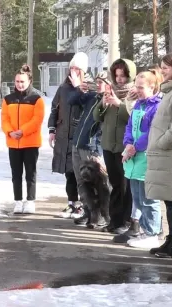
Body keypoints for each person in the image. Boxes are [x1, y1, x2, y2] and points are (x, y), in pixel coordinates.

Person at [93, 58, 138, 240]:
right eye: (117, 75)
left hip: (124, 146)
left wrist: (119, 103)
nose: (119, 79)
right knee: (114, 184)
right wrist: (104, 103)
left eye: (123, 75)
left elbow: (133, 118)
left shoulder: (133, 93)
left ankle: (125, 222)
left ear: (130, 75)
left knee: (124, 185)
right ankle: (114, 220)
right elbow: (97, 116)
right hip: (108, 145)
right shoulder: (110, 90)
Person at [118, 69, 163, 248]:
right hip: (133, 156)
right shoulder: (138, 104)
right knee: (137, 196)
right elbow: (130, 126)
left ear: (152, 86)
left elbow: (151, 131)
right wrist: (128, 143)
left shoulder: (157, 105)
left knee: (148, 198)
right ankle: (144, 230)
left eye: (141, 87)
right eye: (136, 86)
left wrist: (135, 147)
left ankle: (152, 232)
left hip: (145, 156)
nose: (137, 90)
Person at [48, 52, 89, 218]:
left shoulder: (88, 86)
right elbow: (54, 109)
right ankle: (71, 203)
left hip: (79, 136)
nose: (73, 71)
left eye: (77, 68)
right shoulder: (63, 88)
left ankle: (82, 205)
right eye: (71, 67)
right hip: (63, 134)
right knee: (68, 172)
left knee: (79, 171)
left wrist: (80, 87)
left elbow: (89, 106)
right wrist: (52, 130)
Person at [2, 64, 45, 214]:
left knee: (30, 173)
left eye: (22, 82)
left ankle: (30, 200)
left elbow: (37, 119)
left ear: (29, 82)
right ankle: (18, 200)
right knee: (16, 173)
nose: (20, 84)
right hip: (13, 143)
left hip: (30, 142)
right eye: (17, 81)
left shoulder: (36, 99)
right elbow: (4, 119)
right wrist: (10, 132)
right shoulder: (8, 99)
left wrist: (23, 131)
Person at [67, 70, 106, 227]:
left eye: (101, 82)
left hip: (92, 147)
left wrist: (98, 150)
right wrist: (78, 89)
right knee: (81, 181)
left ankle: (101, 215)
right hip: (78, 143)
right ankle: (88, 212)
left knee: (98, 184)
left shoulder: (107, 101)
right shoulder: (91, 97)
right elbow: (72, 101)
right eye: (96, 82)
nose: (97, 85)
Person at [146, 53, 172, 257]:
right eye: (162, 67)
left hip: (168, 157)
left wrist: (160, 143)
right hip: (164, 158)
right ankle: (169, 242)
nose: (163, 71)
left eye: (167, 67)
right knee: (168, 203)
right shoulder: (168, 92)